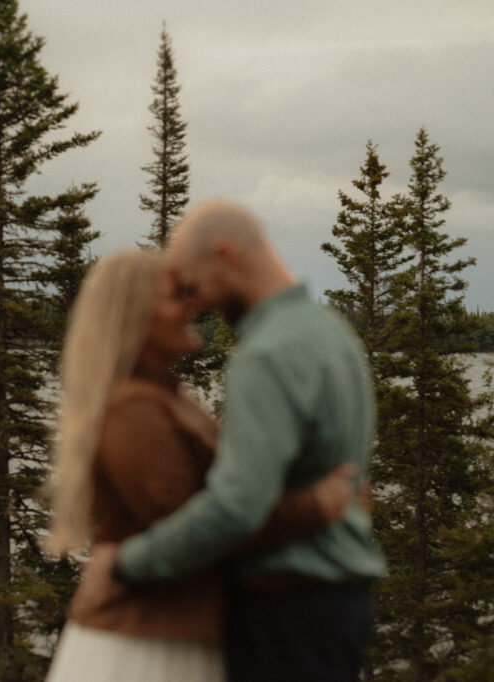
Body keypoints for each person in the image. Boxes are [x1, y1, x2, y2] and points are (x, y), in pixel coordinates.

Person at [44, 249, 358, 682]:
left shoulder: (167, 399)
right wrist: (315, 506)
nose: (196, 305)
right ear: (135, 314)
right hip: (143, 650)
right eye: (178, 296)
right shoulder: (132, 409)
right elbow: (201, 527)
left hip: (178, 637)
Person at [106, 200, 387, 681]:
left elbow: (237, 506)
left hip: (286, 612)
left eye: (192, 285)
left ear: (224, 253)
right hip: (341, 602)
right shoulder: (331, 333)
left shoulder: (265, 355)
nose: (195, 304)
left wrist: (125, 564)